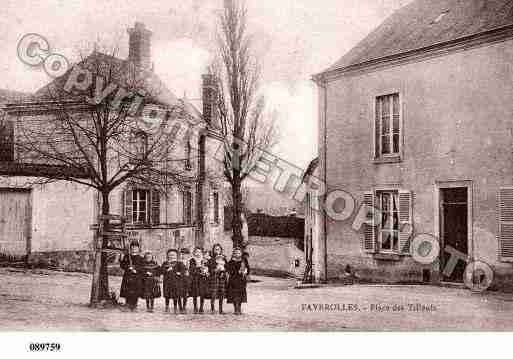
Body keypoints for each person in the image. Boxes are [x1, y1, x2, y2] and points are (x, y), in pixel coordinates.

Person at [160, 249, 187, 314]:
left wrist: (179, 273)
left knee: (175, 295)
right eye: (170, 255)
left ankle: (175, 307)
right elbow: (161, 271)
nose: (171, 256)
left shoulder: (179, 263)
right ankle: (167, 307)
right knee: (167, 295)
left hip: (176, 282)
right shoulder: (165, 263)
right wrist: (166, 270)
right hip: (167, 282)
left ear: (176, 256)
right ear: (167, 256)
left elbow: (183, 271)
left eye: (173, 255)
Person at [120, 242, 144, 311]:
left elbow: (142, 267)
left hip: (136, 277)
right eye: (132, 247)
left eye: (135, 247)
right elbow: (122, 265)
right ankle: (127, 305)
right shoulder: (127, 257)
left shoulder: (141, 258)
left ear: (138, 248)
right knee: (127, 290)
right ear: (130, 248)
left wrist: (136, 270)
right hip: (128, 276)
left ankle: (134, 306)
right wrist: (127, 267)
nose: (134, 248)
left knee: (135, 291)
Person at [226, 247, 250, 315]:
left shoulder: (244, 261)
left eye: (239, 253)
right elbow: (229, 270)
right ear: (233, 254)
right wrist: (237, 271)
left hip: (241, 281)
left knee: (240, 295)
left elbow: (248, 268)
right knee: (234, 295)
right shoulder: (231, 261)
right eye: (235, 253)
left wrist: (246, 271)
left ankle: (239, 308)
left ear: (241, 253)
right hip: (233, 281)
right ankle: (236, 309)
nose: (237, 254)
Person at [189, 247, 210, 314]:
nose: (198, 253)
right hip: (195, 278)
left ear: (201, 253)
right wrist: (198, 268)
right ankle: (195, 307)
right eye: (196, 252)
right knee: (195, 293)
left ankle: (201, 307)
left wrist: (206, 271)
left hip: (202, 279)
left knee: (202, 293)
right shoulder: (192, 260)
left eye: (199, 252)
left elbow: (207, 268)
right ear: (194, 253)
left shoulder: (204, 260)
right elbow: (191, 269)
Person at [208, 243, 227, 314]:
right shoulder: (211, 259)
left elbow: (227, 267)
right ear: (213, 250)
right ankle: (212, 308)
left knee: (222, 293)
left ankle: (220, 309)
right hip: (214, 277)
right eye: (215, 249)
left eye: (218, 249)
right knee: (213, 293)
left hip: (222, 278)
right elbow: (209, 268)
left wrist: (223, 271)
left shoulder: (223, 258)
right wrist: (215, 270)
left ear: (221, 250)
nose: (217, 251)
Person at [180, 247, 191, 313]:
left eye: (185, 254)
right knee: (179, 293)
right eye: (182, 254)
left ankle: (184, 306)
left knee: (185, 294)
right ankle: (180, 306)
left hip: (187, 279)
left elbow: (191, 270)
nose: (183, 255)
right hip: (180, 279)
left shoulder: (189, 261)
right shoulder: (179, 262)